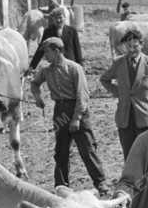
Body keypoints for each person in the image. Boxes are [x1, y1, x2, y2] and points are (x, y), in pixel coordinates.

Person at [28, 37, 110, 195]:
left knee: (87, 149)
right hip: (60, 111)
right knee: (61, 150)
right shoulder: (46, 70)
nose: (45, 56)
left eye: (47, 52)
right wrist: (38, 98)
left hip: (77, 108)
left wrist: (77, 118)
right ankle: (61, 185)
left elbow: (83, 95)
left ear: (57, 51)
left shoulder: (74, 68)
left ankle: (101, 183)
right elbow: (34, 83)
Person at [99, 25, 148, 157]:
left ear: (141, 45)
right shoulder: (119, 63)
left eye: (135, 46)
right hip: (125, 120)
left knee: (147, 157)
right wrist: (119, 93)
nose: (131, 50)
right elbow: (104, 79)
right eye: (128, 46)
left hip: (146, 120)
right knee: (129, 157)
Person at [28, 5, 82, 70]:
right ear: (53, 19)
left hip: (70, 66)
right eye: (56, 18)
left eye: (60, 17)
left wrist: (80, 66)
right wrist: (32, 67)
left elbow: (77, 50)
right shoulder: (48, 31)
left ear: (64, 17)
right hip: (55, 67)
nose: (58, 20)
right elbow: (40, 50)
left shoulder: (72, 31)